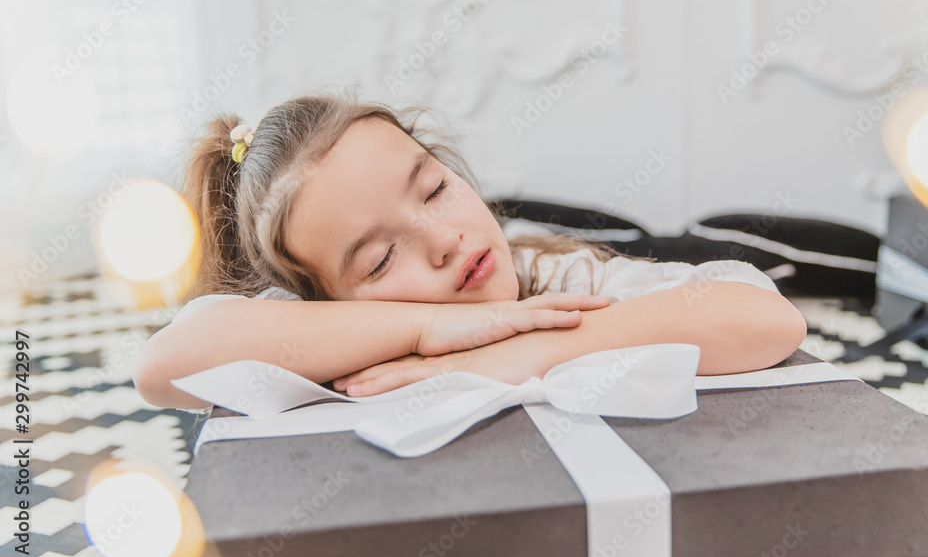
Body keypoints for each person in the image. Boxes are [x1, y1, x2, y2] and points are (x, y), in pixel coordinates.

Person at [132, 91, 807, 410]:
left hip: (544, 238)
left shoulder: (546, 273)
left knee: (675, 237)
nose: (444, 239)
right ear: (323, 299)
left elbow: (767, 318)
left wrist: (512, 353)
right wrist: (424, 329)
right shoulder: (313, 330)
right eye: (380, 260)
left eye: (434, 189)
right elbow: (160, 368)